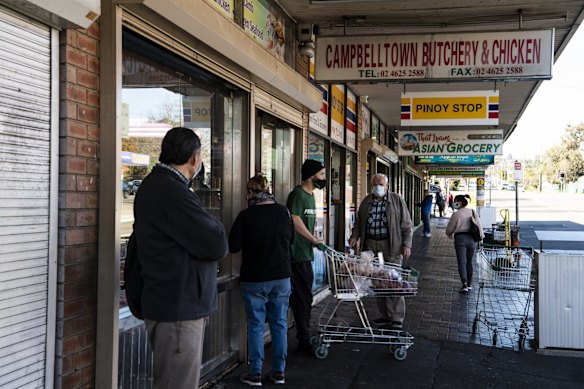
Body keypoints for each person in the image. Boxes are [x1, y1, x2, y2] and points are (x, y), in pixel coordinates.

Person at [134, 127, 228, 389]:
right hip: (176, 309)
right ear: (195, 159)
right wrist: (215, 224)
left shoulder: (161, 187)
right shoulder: (171, 191)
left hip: (172, 303)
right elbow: (216, 243)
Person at [229, 175, 294, 386]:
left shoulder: (245, 216)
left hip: (254, 279)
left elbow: (233, 246)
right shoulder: (284, 212)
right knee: (279, 324)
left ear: (250, 193)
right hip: (281, 277)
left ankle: (255, 373)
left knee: (256, 325)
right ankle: (279, 372)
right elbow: (290, 239)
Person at [348, 173, 413, 330]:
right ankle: (385, 316)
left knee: (394, 282)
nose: (378, 187)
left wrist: (406, 244)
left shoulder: (397, 200)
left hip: (391, 246)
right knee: (378, 281)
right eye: (375, 184)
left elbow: (406, 225)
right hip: (371, 246)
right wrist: (355, 236)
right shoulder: (366, 201)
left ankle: (396, 317)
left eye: (381, 184)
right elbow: (358, 222)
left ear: (387, 186)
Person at [286, 159, 326, 353]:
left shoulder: (311, 196)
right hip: (296, 254)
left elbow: (306, 223)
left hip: (306, 253)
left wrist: (314, 237)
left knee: (303, 297)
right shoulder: (297, 195)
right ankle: (303, 338)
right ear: (311, 175)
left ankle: (303, 333)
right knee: (302, 297)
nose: (324, 179)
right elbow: (294, 220)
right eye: (321, 175)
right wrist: (312, 238)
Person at [445, 194, 485, 293]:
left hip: (460, 239)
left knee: (462, 262)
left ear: (459, 202)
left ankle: (464, 283)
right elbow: (479, 225)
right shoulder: (472, 212)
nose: (454, 203)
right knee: (469, 261)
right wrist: (481, 237)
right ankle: (470, 283)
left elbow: (449, 230)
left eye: (455, 201)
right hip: (472, 239)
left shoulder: (456, 214)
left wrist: (449, 234)